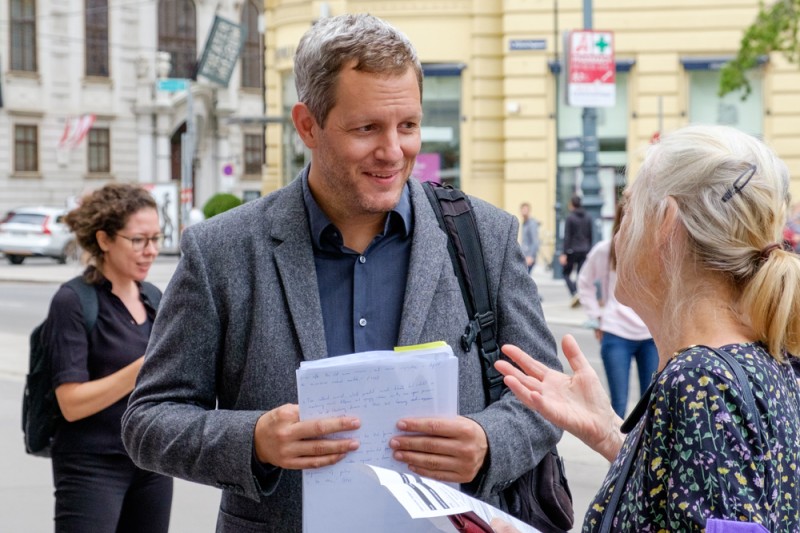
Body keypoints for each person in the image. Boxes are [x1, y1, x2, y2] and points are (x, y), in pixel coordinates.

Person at [121, 13, 562, 532]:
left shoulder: (484, 236)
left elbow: (546, 398)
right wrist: (255, 440)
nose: (393, 152)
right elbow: (149, 420)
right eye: (366, 128)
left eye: (408, 126)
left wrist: (489, 443)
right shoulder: (222, 251)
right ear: (307, 125)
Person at [492, 124, 800, 532]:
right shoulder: (760, 357)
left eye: (629, 209)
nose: (619, 235)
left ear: (666, 223)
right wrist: (611, 436)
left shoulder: (701, 382)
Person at [47, 183, 172, 532]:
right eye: (138, 240)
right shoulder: (73, 301)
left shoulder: (153, 297)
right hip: (91, 466)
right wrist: (142, 368)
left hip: (151, 461)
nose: (151, 251)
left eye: (156, 239)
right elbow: (70, 403)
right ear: (104, 240)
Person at [577, 199, 658, 418]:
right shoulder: (605, 251)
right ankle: (618, 443)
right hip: (616, 333)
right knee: (618, 406)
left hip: (651, 336)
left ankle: (645, 443)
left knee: (652, 406)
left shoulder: (654, 250)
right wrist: (596, 316)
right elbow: (584, 282)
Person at [560, 194, 593, 307]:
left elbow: (567, 236)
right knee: (580, 274)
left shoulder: (570, 218)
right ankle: (578, 294)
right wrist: (589, 249)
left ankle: (574, 292)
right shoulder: (588, 217)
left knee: (565, 273)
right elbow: (590, 235)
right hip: (585, 250)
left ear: (571, 204)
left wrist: (564, 253)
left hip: (572, 250)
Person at [519, 202, 540, 274]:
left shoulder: (532, 223)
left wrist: (531, 256)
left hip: (529, 257)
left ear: (529, 211)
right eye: (523, 210)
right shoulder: (524, 223)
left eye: (526, 210)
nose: (524, 212)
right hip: (524, 256)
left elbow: (535, 241)